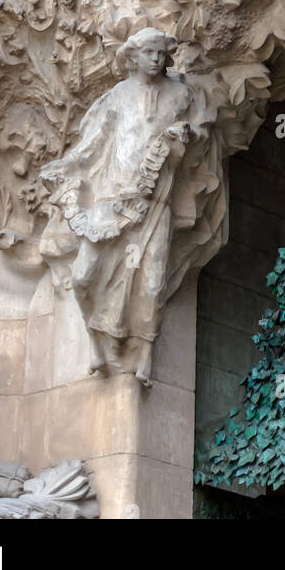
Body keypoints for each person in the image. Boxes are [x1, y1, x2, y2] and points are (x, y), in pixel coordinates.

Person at [40, 28, 214, 385]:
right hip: (109, 200)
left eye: (160, 53)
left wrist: (184, 136)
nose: (155, 59)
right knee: (84, 275)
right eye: (148, 52)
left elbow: (198, 137)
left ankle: (145, 352)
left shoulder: (180, 95)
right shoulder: (117, 97)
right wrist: (64, 167)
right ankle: (94, 339)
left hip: (155, 204)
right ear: (133, 58)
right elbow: (93, 145)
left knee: (150, 283)